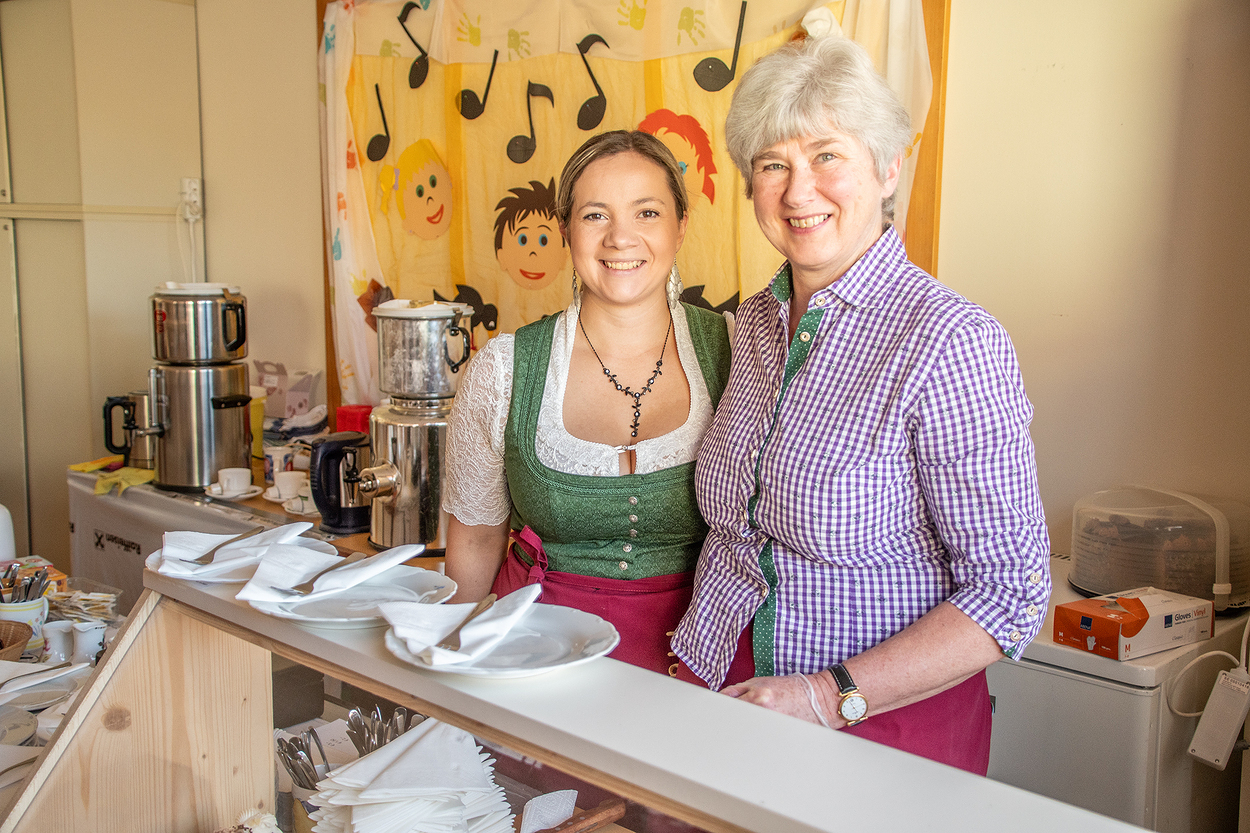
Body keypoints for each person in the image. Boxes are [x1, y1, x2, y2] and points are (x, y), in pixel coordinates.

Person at [671, 34, 1052, 775]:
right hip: (722, 702)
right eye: (772, 164)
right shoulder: (754, 323)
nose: (797, 192)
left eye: (827, 156)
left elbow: (1011, 592)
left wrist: (824, 695)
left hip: (875, 729)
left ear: (888, 167)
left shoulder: (949, 341)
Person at [442, 131, 733, 675]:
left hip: (702, 660)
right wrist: (448, 666)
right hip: (534, 656)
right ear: (566, 230)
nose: (620, 238)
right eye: (595, 215)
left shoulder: (739, 350)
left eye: (647, 212)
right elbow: (477, 541)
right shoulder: (503, 369)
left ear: (680, 226)